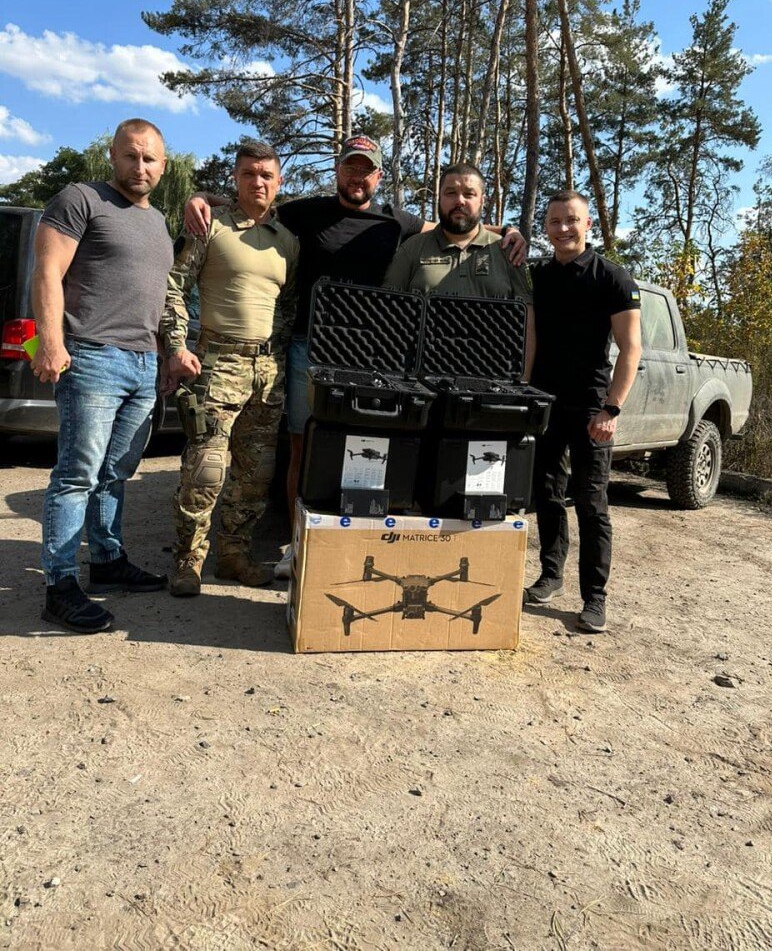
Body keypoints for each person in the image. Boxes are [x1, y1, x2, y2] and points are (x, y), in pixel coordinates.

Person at [184, 136, 528, 578]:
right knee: (303, 446)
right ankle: (296, 545)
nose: (357, 177)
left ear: (378, 176)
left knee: (364, 449)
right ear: (338, 170)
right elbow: (254, 202)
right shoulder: (304, 212)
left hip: (371, 356)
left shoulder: (397, 222)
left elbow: (456, 221)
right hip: (309, 348)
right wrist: (201, 196)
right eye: (350, 167)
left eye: (366, 169)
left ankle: (350, 542)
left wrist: (510, 232)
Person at [32, 119, 174, 634]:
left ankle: (108, 560)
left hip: (143, 363)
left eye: (150, 158)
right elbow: (47, 272)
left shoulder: (159, 221)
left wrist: (164, 358)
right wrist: (51, 343)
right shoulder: (81, 199)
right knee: (77, 474)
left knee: (116, 472)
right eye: (130, 156)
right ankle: (60, 586)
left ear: (163, 165)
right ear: (113, 155)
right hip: (92, 356)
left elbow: (157, 297)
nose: (140, 167)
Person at [161, 141, 299, 597]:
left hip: (267, 373)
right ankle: (188, 560)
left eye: (266, 175)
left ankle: (234, 555)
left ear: (279, 182)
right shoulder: (209, 225)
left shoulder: (287, 242)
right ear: (235, 179)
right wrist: (176, 347)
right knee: (206, 468)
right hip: (217, 364)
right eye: (248, 174)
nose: (258, 182)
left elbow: (288, 306)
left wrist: (275, 358)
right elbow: (173, 287)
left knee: (255, 474)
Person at [525, 190, 642, 633]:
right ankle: (550, 575)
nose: (563, 229)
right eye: (554, 221)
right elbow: (531, 337)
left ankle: (595, 598)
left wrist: (612, 408)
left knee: (592, 503)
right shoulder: (538, 275)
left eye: (571, 220)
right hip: (545, 403)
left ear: (587, 224)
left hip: (593, 406)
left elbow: (630, 349)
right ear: (546, 227)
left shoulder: (612, 277)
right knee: (547, 494)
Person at [383, 161, 534, 379]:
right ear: (439, 198)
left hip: (491, 381)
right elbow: (387, 315)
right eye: (451, 193)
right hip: (422, 382)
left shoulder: (508, 251)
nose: (459, 200)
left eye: (469, 194)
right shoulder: (412, 249)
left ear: (482, 200)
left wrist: (523, 381)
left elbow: (527, 321)